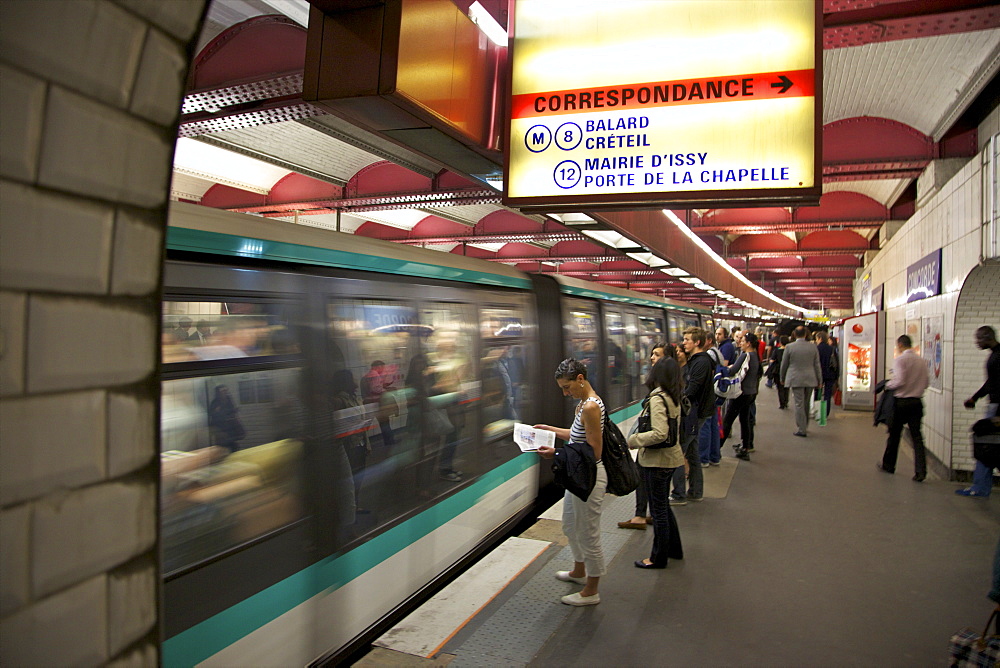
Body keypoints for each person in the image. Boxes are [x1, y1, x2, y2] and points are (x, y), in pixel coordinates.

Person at [535, 359, 607, 606]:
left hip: (590, 478)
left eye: (567, 388)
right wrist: (549, 430)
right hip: (578, 475)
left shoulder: (591, 407)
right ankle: (579, 571)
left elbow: (594, 451)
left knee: (588, 533)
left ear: (580, 379)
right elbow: (575, 436)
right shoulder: (582, 405)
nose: (566, 393)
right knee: (569, 524)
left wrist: (555, 454)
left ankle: (592, 590)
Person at [627, 356, 685, 568]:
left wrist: (634, 440)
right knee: (663, 507)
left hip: (657, 461)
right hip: (670, 458)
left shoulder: (658, 398)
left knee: (658, 509)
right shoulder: (673, 395)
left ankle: (658, 558)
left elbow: (660, 433)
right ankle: (674, 549)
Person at [619, 342, 666, 530]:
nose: (652, 357)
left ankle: (661, 550)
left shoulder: (661, 393)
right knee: (649, 485)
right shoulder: (665, 385)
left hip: (655, 448)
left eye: (657, 354)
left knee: (659, 501)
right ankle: (641, 515)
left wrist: (634, 440)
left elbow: (661, 432)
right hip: (656, 448)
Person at [671, 327, 715, 505]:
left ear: (697, 342)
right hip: (697, 412)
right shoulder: (698, 360)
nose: (684, 342)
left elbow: (692, 389)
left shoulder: (701, 362)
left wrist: (675, 401)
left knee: (677, 452)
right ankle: (696, 491)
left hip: (694, 413)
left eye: (688, 339)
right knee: (692, 452)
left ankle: (679, 494)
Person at [876, 335, 929, 481]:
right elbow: (926, 382)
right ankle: (921, 471)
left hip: (900, 403)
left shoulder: (900, 360)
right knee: (917, 438)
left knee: (894, 435)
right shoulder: (922, 361)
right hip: (916, 403)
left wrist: (887, 385)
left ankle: (889, 465)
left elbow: (899, 381)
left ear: (900, 345)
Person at [957, 325, 1000, 497]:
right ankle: (981, 486)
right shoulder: (995, 355)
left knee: (984, 444)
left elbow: (994, 384)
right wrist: (975, 398)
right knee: (988, 445)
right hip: (995, 405)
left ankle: (980, 487)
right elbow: (992, 383)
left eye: (978, 339)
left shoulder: (997, 358)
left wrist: (976, 399)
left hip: (996, 406)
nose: (976, 342)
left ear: (987, 337)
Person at [721, 333, 762, 461]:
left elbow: (733, 371)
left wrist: (723, 369)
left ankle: (716, 448)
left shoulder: (746, 355)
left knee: (727, 420)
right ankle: (746, 446)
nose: (740, 343)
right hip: (751, 393)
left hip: (740, 393)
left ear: (749, 343)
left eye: (743, 341)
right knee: (745, 419)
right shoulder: (756, 356)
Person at [780, 326, 822, 437]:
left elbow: (784, 365)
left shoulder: (789, 347)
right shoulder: (813, 347)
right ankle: (805, 425)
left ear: (794, 334)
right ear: (805, 334)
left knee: (799, 404)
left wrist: (782, 378)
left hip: (795, 378)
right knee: (806, 403)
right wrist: (819, 380)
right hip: (810, 378)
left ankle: (801, 428)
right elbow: (817, 365)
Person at [698, 330, 725, 468]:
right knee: (714, 424)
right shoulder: (717, 351)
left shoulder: (708, 355)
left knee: (705, 425)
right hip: (714, 394)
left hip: (709, 394)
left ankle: (703, 458)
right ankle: (715, 456)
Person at [815, 331, 837, 422]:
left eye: (816, 339)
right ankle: (826, 413)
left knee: (818, 393)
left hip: (819, 374)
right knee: (827, 394)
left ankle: (817, 412)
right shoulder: (831, 349)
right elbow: (836, 362)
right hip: (830, 374)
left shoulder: (816, 349)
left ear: (820, 338)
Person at [767, 335, 790, 409]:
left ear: (780, 342)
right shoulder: (789, 350)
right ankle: (786, 401)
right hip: (788, 370)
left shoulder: (777, 350)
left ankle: (782, 403)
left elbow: (772, 360)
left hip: (777, 371)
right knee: (787, 387)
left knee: (780, 387)